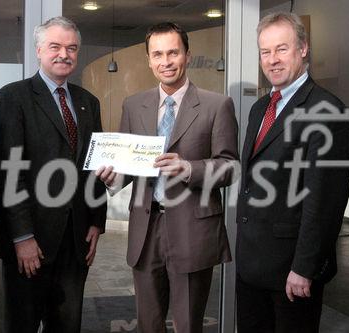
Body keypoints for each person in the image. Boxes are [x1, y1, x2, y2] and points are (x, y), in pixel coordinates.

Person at [96, 22, 238, 333]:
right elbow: (129, 166)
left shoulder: (217, 105)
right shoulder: (133, 105)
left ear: (187, 55)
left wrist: (189, 168)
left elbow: (230, 167)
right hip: (146, 231)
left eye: (173, 52)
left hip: (193, 230)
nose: (166, 61)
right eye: (157, 54)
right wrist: (112, 178)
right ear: (148, 59)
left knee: (188, 324)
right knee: (148, 324)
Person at [235, 12, 349, 332]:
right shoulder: (261, 108)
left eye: (281, 49)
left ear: (303, 49)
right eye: (265, 51)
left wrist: (304, 267)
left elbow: (324, 204)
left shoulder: (328, 112)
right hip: (251, 267)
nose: (272, 60)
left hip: (291, 274)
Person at [0, 16, 106, 333]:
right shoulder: (13, 98)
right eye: (55, 46)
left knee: (67, 326)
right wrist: (23, 236)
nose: (63, 54)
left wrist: (96, 221)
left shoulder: (87, 103)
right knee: (22, 325)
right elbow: (8, 173)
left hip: (75, 239)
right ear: (39, 50)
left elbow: (94, 167)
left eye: (71, 48)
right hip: (30, 243)